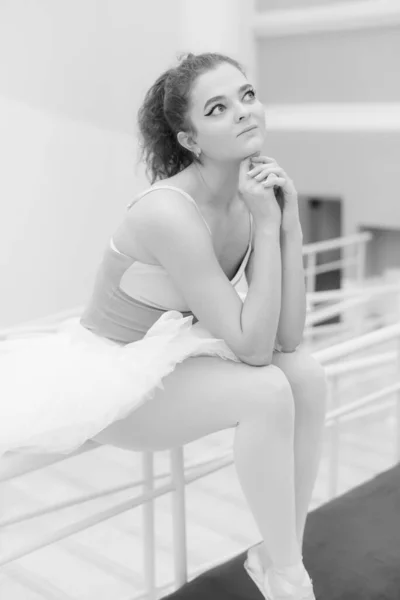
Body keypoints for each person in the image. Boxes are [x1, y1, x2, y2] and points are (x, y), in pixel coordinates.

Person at [0, 52, 327, 599]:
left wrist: (287, 225)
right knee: (267, 390)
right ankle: (289, 578)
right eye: (218, 108)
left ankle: (278, 553)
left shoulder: (252, 199)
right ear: (190, 139)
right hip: (112, 382)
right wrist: (267, 230)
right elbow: (251, 349)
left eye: (247, 96)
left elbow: (287, 338)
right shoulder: (166, 213)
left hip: (172, 361)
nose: (244, 113)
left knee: (307, 375)